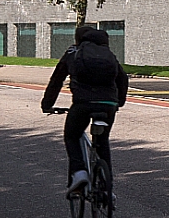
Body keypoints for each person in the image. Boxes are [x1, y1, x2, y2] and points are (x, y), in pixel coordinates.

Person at [42, 23, 129, 195]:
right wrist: (119, 102)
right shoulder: (107, 54)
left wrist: (47, 105)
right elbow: (123, 79)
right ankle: (106, 187)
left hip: (83, 103)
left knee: (72, 136)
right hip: (108, 104)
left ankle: (79, 173)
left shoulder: (72, 53)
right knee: (102, 141)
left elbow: (56, 80)